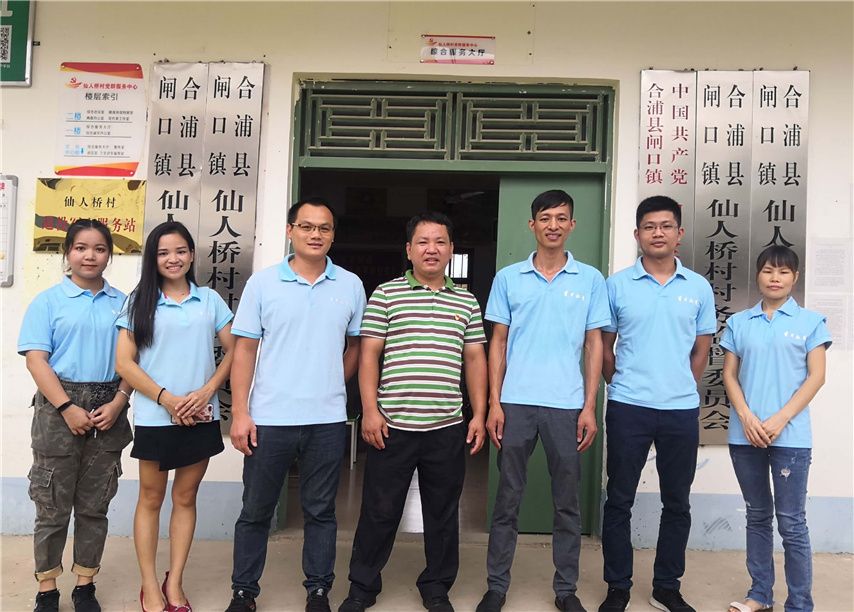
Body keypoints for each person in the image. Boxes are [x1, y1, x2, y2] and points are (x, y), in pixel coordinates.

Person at [338, 211, 488, 612]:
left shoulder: (466, 301)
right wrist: (370, 411)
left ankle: (436, 586)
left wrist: (478, 414)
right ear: (408, 250)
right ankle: (362, 586)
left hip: (447, 426)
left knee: (442, 513)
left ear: (451, 249)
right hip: (392, 425)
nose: (431, 249)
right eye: (422, 242)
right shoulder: (386, 294)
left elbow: (475, 359)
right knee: (379, 510)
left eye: (440, 242)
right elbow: (369, 356)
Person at [225, 197, 366, 612]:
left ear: (333, 235)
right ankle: (244, 591)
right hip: (269, 419)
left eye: (324, 228)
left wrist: (330, 381)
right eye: (306, 226)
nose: (315, 234)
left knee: (320, 511)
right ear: (290, 231)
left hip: (326, 420)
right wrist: (240, 413)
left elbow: (356, 346)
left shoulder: (350, 285)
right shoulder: (263, 284)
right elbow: (244, 350)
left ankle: (318, 590)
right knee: (255, 510)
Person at [476, 190, 610, 612]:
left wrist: (589, 406)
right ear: (532, 224)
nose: (554, 225)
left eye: (562, 218)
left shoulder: (590, 280)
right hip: (515, 403)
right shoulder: (508, 278)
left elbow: (594, 345)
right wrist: (495, 403)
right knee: (507, 500)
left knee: (567, 504)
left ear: (573, 225)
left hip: (566, 405)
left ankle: (566, 590)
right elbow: (497, 343)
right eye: (546, 217)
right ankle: (496, 586)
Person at [598, 196, 715, 612]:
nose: (658, 233)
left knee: (677, 502)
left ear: (679, 233)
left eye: (666, 226)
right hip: (629, 406)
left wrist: (679, 385)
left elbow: (701, 350)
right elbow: (604, 348)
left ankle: (666, 586)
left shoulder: (698, 287)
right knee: (619, 500)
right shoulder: (616, 285)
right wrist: (621, 384)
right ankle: (618, 586)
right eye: (649, 226)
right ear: (637, 234)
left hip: (680, 410)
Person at [115, 221, 235, 612]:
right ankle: (150, 585)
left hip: (200, 415)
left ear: (191, 255)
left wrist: (206, 390)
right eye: (163, 252)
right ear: (153, 258)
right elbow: (124, 362)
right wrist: (166, 399)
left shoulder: (210, 300)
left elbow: (237, 350)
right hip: (155, 415)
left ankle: (175, 581)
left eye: (180, 251)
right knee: (151, 498)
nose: (173, 259)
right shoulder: (139, 302)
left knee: (185, 497)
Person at [18, 219, 134, 612]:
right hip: (57, 410)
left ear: (109, 255)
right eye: (81, 247)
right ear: (67, 252)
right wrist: (67, 407)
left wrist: (119, 401)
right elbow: (36, 360)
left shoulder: (124, 303)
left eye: (99, 248)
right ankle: (47, 588)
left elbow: (133, 361)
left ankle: (85, 585)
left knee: (94, 506)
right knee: (51, 506)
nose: (90, 256)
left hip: (108, 409)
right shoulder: (48, 302)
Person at [722, 246, 830, 612]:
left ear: (795, 278)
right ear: (758, 275)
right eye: (768, 270)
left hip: (791, 437)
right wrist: (747, 417)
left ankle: (799, 604)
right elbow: (729, 375)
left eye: (783, 272)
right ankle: (759, 596)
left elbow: (817, 377)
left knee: (791, 522)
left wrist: (781, 418)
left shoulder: (811, 322)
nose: (775, 278)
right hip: (745, 435)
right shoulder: (739, 323)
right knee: (757, 516)